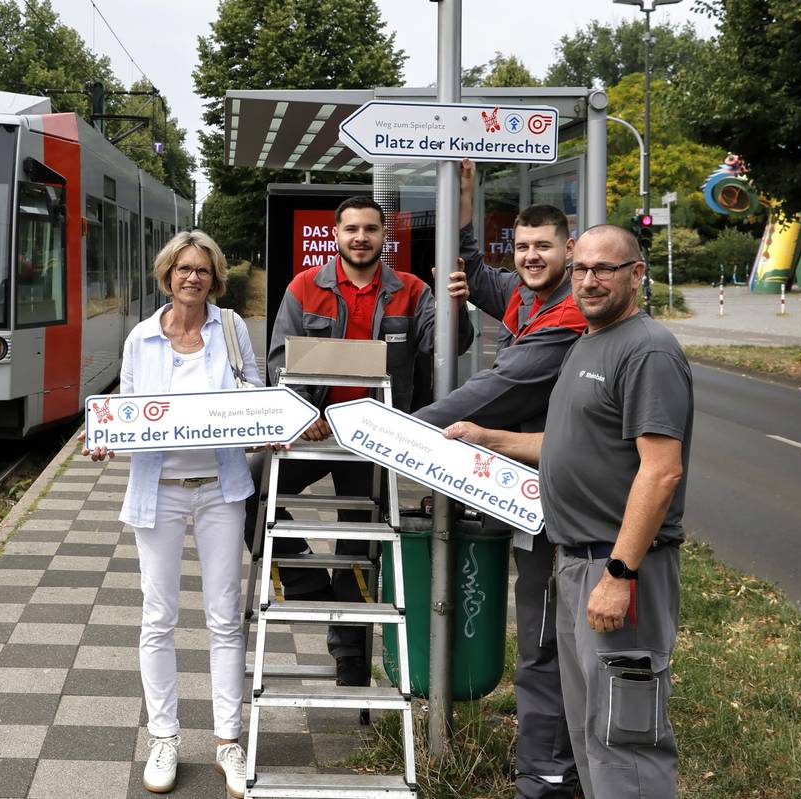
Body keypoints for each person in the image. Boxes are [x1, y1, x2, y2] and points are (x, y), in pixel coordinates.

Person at [446, 224, 692, 799]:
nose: (589, 280)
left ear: (636, 274)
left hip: (617, 567)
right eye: (581, 268)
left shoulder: (648, 350)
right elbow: (564, 445)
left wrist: (620, 574)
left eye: (604, 269)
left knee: (626, 735)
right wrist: (488, 436)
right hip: (576, 562)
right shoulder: (587, 341)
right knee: (588, 730)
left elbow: (661, 472)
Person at [245, 195, 473, 688]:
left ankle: (349, 651)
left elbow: (444, 348)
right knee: (242, 488)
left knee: (359, 541)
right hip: (315, 432)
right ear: (336, 233)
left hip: (373, 437)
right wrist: (306, 415)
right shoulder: (305, 287)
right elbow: (280, 358)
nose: (361, 238)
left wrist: (457, 306)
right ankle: (305, 583)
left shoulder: (412, 291)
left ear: (383, 237)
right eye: (351, 229)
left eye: (371, 229)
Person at [414, 159, 585, 798]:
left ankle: (547, 777)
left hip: (561, 501)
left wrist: (399, 433)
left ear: (568, 247)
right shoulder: (523, 293)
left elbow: (491, 390)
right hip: (531, 494)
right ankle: (552, 761)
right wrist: (462, 192)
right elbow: (474, 272)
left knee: (544, 638)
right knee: (542, 631)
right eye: (522, 247)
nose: (531, 257)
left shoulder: (565, 319)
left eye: (544, 246)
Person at [84, 230, 258, 798]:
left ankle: (228, 742)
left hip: (219, 487)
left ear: (215, 277)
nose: (192, 278)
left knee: (224, 617)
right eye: (183, 268)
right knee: (157, 617)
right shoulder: (141, 339)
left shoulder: (231, 331)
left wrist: (270, 428)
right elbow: (129, 410)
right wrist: (106, 438)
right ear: (167, 275)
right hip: (158, 489)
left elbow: (254, 397)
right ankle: (164, 737)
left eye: (203, 270)